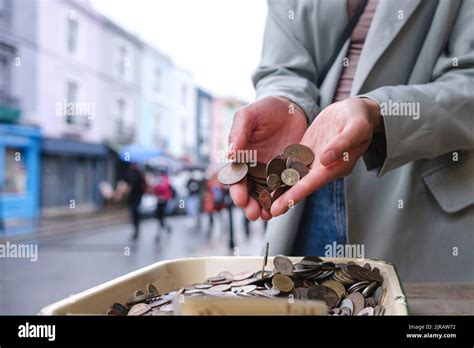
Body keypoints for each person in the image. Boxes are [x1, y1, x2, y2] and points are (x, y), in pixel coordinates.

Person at [227, 0, 473, 282]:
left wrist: (380, 111)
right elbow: (283, 68)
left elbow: (468, 80)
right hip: (306, 185)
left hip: (416, 199)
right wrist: (287, 102)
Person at [125, 163, 146, 241]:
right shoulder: (129, 173)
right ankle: (135, 229)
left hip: (138, 196)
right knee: (133, 213)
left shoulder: (140, 173)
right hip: (131, 197)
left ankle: (137, 230)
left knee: (136, 212)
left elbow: (143, 185)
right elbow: (126, 184)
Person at [153, 170, 173, 242]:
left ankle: (158, 234)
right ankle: (167, 228)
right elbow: (155, 189)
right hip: (159, 200)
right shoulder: (158, 179)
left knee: (160, 216)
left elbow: (165, 188)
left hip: (164, 200)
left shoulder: (165, 179)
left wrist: (163, 196)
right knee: (160, 217)